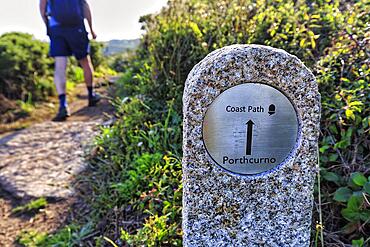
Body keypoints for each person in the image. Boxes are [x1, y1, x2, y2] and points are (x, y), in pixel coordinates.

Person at [39, 0, 100, 121]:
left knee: (60, 66)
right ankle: (91, 95)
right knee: (85, 62)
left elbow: (42, 8)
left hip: (56, 28)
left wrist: (48, 26)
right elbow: (85, 6)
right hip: (76, 26)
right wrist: (92, 29)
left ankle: (63, 105)